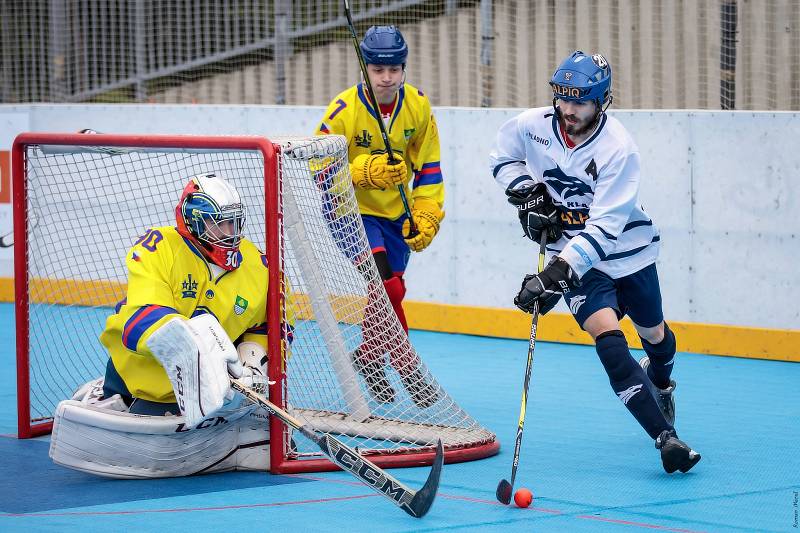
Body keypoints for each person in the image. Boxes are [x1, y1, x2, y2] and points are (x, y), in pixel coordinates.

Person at [489, 50, 701, 474]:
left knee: (654, 334)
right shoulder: (532, 126)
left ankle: (661, 381)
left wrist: (554, 275)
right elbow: (501, 157)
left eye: (580, 101)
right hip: (579, 263)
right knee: (606, 337)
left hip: (629, 253)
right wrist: (527, 192)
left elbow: (604, 229)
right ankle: (666, 437)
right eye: (563, 98)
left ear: (601, 100)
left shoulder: (618, 148)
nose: (568, 109)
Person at [49, 173, 289, 478]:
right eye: (218, 223)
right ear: (194, 221)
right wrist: (197, 348)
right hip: (145, 374)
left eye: (233, 222)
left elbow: (274, 325)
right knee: (150, 369)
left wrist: (253, 363)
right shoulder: (159, 247)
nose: (229, 232)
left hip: (216, 385)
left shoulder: (259, 265)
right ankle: (113, 393)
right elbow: (144, 316)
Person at [315, 25, 444, 408]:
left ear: (404, 68)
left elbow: (430, 167)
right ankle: (407, 366)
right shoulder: (342, 110)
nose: (386, 77)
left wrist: (428, 213)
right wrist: (363, 171)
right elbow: (317, 165)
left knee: (387, 289)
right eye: (377, 69)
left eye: (394, 69)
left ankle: (369, 357)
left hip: (396, 216)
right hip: (351, 213)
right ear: (364, 68)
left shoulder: (418, 106)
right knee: (387, 284)